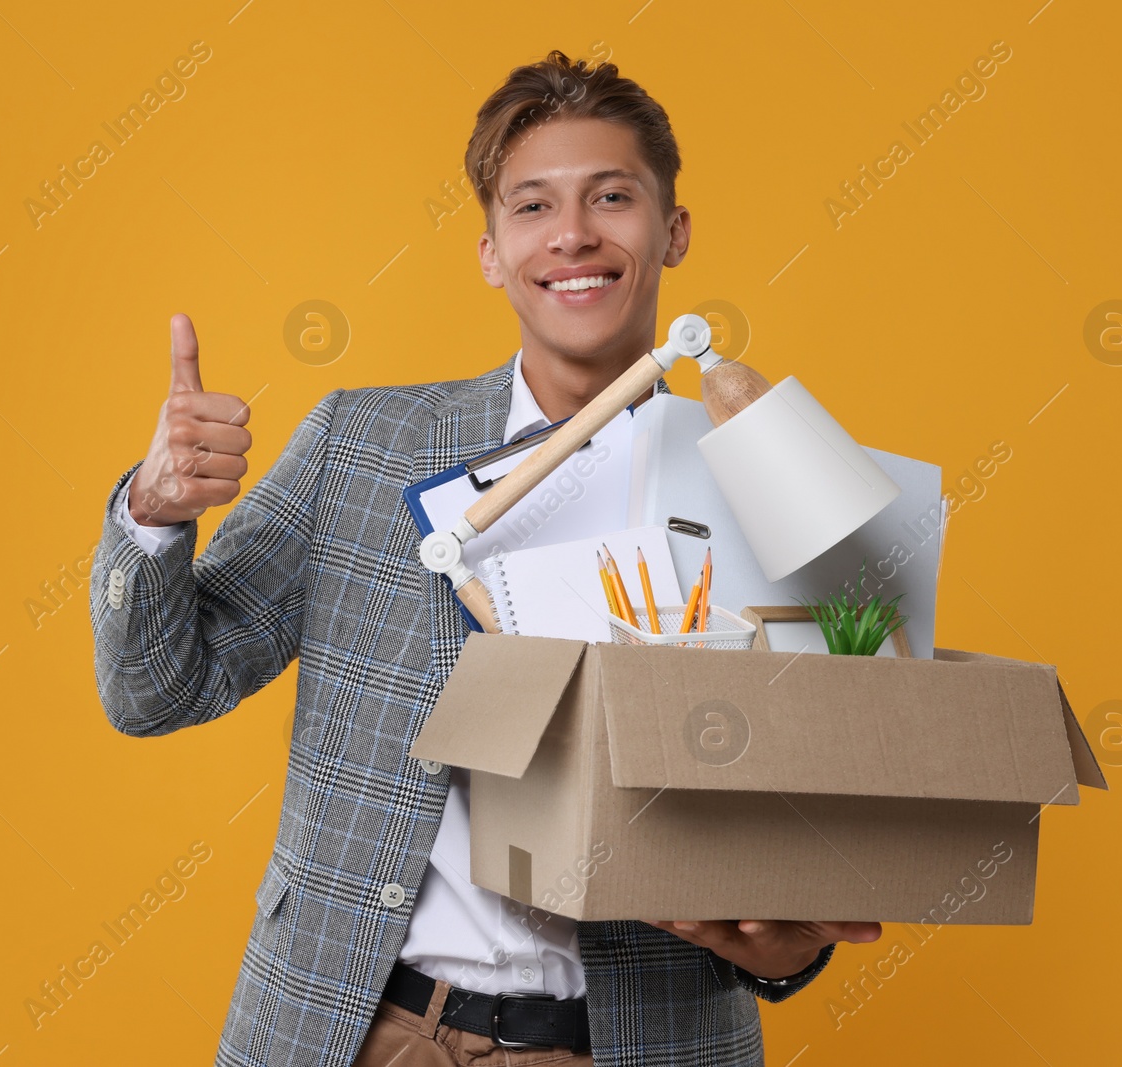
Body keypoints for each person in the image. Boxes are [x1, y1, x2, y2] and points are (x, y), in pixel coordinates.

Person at [89, 48, 882, 1067]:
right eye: (532, 207)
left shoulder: (764, 485)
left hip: (635, 1041)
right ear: (491, 253)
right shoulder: (362, 446)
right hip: (355, 1027)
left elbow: (808, 832)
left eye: (611, 196)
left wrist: (785, 949)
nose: (574, 235)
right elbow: (156, 689)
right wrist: (152, 513)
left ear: (672, 230)